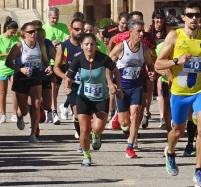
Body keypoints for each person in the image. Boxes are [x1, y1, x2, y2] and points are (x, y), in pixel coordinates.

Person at [155, 0, 201, 187]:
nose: (194, 18)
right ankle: (170, 152)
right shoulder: (174, 36)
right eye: (190, 15)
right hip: (179, 91)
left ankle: (198, 171)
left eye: (197, 15)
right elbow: (158, 64)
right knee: (178, 130)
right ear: (183, 17)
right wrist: (177, 60)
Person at [65, 33, 121, 166]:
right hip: (83, 98)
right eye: (86, 44)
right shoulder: (78, 60)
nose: (89, 47)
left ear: (96, 45)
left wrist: (117, 87)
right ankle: (86, 155)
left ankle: (96, 135)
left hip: (101, 98)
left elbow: (116, 71)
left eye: (92, 44)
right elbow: (68, 79)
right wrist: (67, 88)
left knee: (98, 128)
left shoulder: (103, 58)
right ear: (82, 46)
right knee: (84, 129)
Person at [108, 18, 156, 159]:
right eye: (138, 31)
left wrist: (151, 71)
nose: (142, 34)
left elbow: (150, 64)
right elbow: (107, 64)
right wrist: (111, 83)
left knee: (135, 114)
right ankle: (118, 116)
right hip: (122, 88)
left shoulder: (144, 49)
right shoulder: (120, 48)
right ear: (130, 32)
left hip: (137, 86)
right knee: (125, 122)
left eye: (143, 31)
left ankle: (130, 146)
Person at [5, 22, 53, 143]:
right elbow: (8, 62)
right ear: (23, 33)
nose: (33, 34)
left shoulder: (39, 45)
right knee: (25, 110)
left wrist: (48, 67)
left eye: (34, 31)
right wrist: (20, 69)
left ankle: (33, 134)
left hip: (35, 77)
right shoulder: (18, 46)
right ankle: (20, 115)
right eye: (30, 32)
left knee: (36, 105)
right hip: (21, 78)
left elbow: (45, 60)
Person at [54, 19, 85, 146]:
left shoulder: (87, 44)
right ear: (70, 29)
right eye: (77, 29)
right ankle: (82, 141)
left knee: (89, 115)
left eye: (81, 29)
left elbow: (100, 60)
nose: (80, 32)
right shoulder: (64, 46)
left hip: (88, 84)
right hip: (73, 84)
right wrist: (64, 76)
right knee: (78, 114)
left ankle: (87, 134)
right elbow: (56, 67)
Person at [42, 9, 69, 125]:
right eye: (53, 17)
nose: (55, 19)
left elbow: (68, 40)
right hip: (50, 62)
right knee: (52, 88)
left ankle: (51, 109)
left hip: (61, 61)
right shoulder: (44, 28)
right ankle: (53, 112)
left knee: (56, 89)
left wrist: (60, 42)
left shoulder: (63, 27)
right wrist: (50, 44)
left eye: (57, 17)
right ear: (48, 17)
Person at [0, 21, 19, 123]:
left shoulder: (15, 38)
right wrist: (6, 54)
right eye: (12, 32)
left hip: (13, 68)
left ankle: (14, 114)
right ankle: (3, 115)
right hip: (2, 68)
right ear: (7, 28)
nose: (13, 34)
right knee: (3, 92)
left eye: (15, 32)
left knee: (15, 91)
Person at [34, 21, 58, 126]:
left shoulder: (47, 44)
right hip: (33, 77)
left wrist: (53, 70)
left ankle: (42, 109)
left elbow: (56, 58)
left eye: (43, 37)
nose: (40, 39)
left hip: (45, 75)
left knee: (48, 105)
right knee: (35, 101)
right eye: (38, 37)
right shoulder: (30, 45)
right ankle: (35, 124)